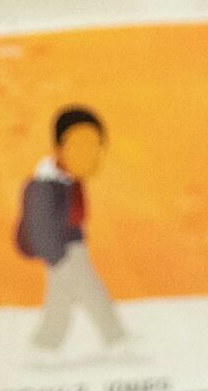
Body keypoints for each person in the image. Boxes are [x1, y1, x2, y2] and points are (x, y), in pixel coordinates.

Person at [20, 107, 129, 355]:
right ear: (60, 148)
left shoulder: (72, 181)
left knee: (62, 299)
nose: (90, 153)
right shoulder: (44, 185)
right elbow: (39, 225)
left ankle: (45, 343)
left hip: (73, 246)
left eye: (95, 145)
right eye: (80, 144)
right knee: (90, 292)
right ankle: (115, 337)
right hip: (63, 250)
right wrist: (56, 257)